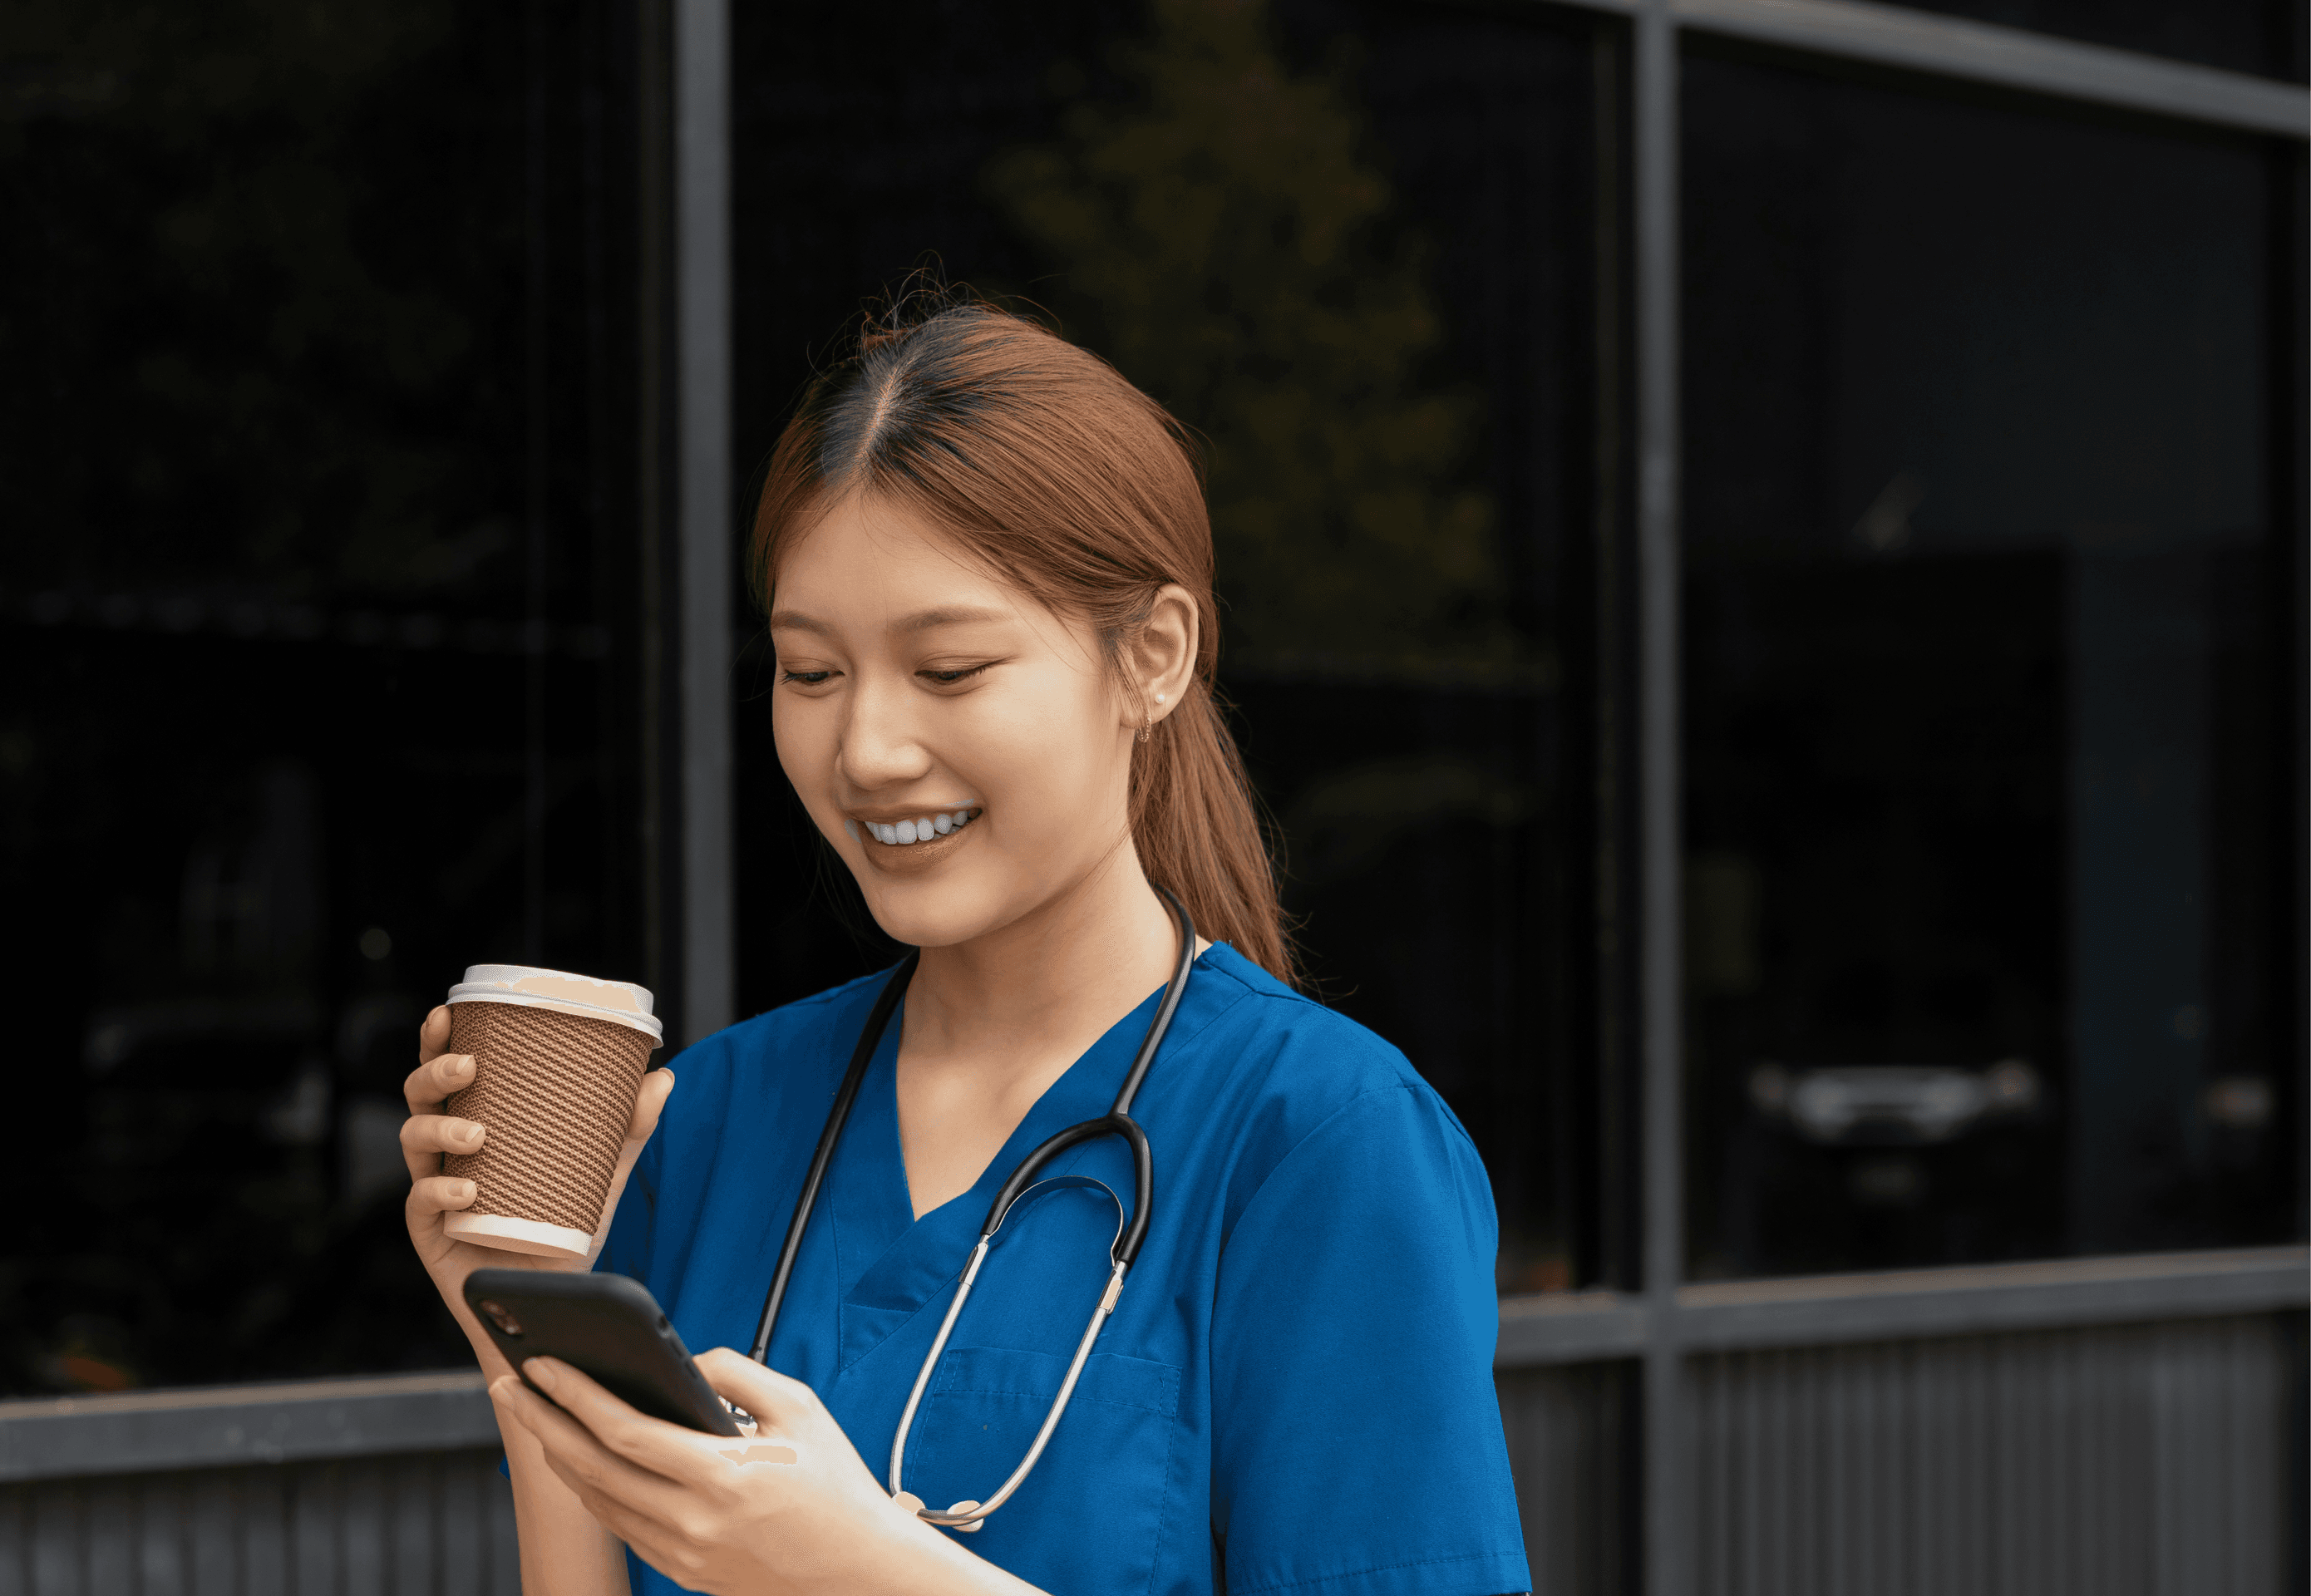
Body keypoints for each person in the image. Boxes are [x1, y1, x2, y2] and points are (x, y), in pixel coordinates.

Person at [399, 298, 1530, 1596]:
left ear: (1151, 658)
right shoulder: (707, 1122)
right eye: (811, 674)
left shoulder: (1322, 1141)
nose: (867, 752)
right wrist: (520, 1333)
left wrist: (865, 1568)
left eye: (949, 671)